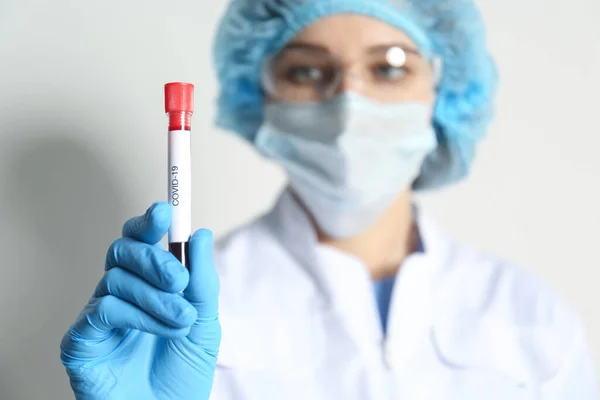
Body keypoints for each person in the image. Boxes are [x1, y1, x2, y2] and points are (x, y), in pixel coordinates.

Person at [60, 0, 599, 399]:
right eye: (307, 70)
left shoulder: (533, 322)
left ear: (444, 92)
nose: (348, 105)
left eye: (389, 66)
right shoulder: (174, 318)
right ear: (262, 94)